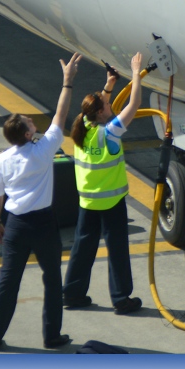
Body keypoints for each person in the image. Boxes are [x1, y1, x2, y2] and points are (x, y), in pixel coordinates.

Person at [0, 52, 82, 352]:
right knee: (52, 280)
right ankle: (51, 336)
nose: (34, 122)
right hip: (42, 225)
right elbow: (61, 116)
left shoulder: (2, 159)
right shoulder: (43, 151)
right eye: (30, 122)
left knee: (7, 282)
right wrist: (67, 83)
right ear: (28, 134)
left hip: (14, 225)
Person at [62, 52, 145, 315]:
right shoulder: (110, 133)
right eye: (107, 107)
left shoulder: (82, 126)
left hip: (87, 200)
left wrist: (108, 85)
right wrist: (135, 73)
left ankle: (72, 293)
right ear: (100, 112)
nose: (111, 109)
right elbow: (133, 106)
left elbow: (102, 106)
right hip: (111, 202)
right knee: (117, 249)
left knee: (82, 246)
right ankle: (121, 299)